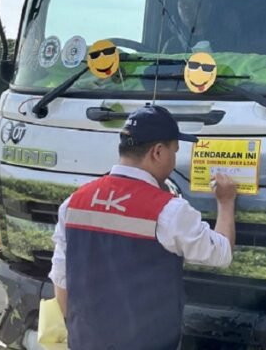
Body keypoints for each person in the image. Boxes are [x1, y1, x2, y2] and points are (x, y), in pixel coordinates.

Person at [48, 105, 237, 349]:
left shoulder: (73, 203)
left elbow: (61, 283)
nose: (173, 160)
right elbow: (221, 253)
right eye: (174, 152)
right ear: (158, 152)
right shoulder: (169, 211)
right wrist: (226, 202)